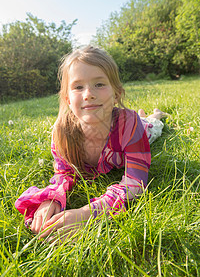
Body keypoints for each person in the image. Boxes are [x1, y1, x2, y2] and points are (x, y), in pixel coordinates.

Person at [15, 46, 166, 240]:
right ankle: (145, 115)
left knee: (153, 126)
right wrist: (50, 199)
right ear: (68, 99)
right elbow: (64, 173)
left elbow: (135, 183)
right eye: (78, 87)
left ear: (117, 94)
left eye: (99, 84)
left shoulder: (129, 125)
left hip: (140, 131)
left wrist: (88, 213)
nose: (88, 94)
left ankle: (154, 115)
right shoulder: (62, 133)